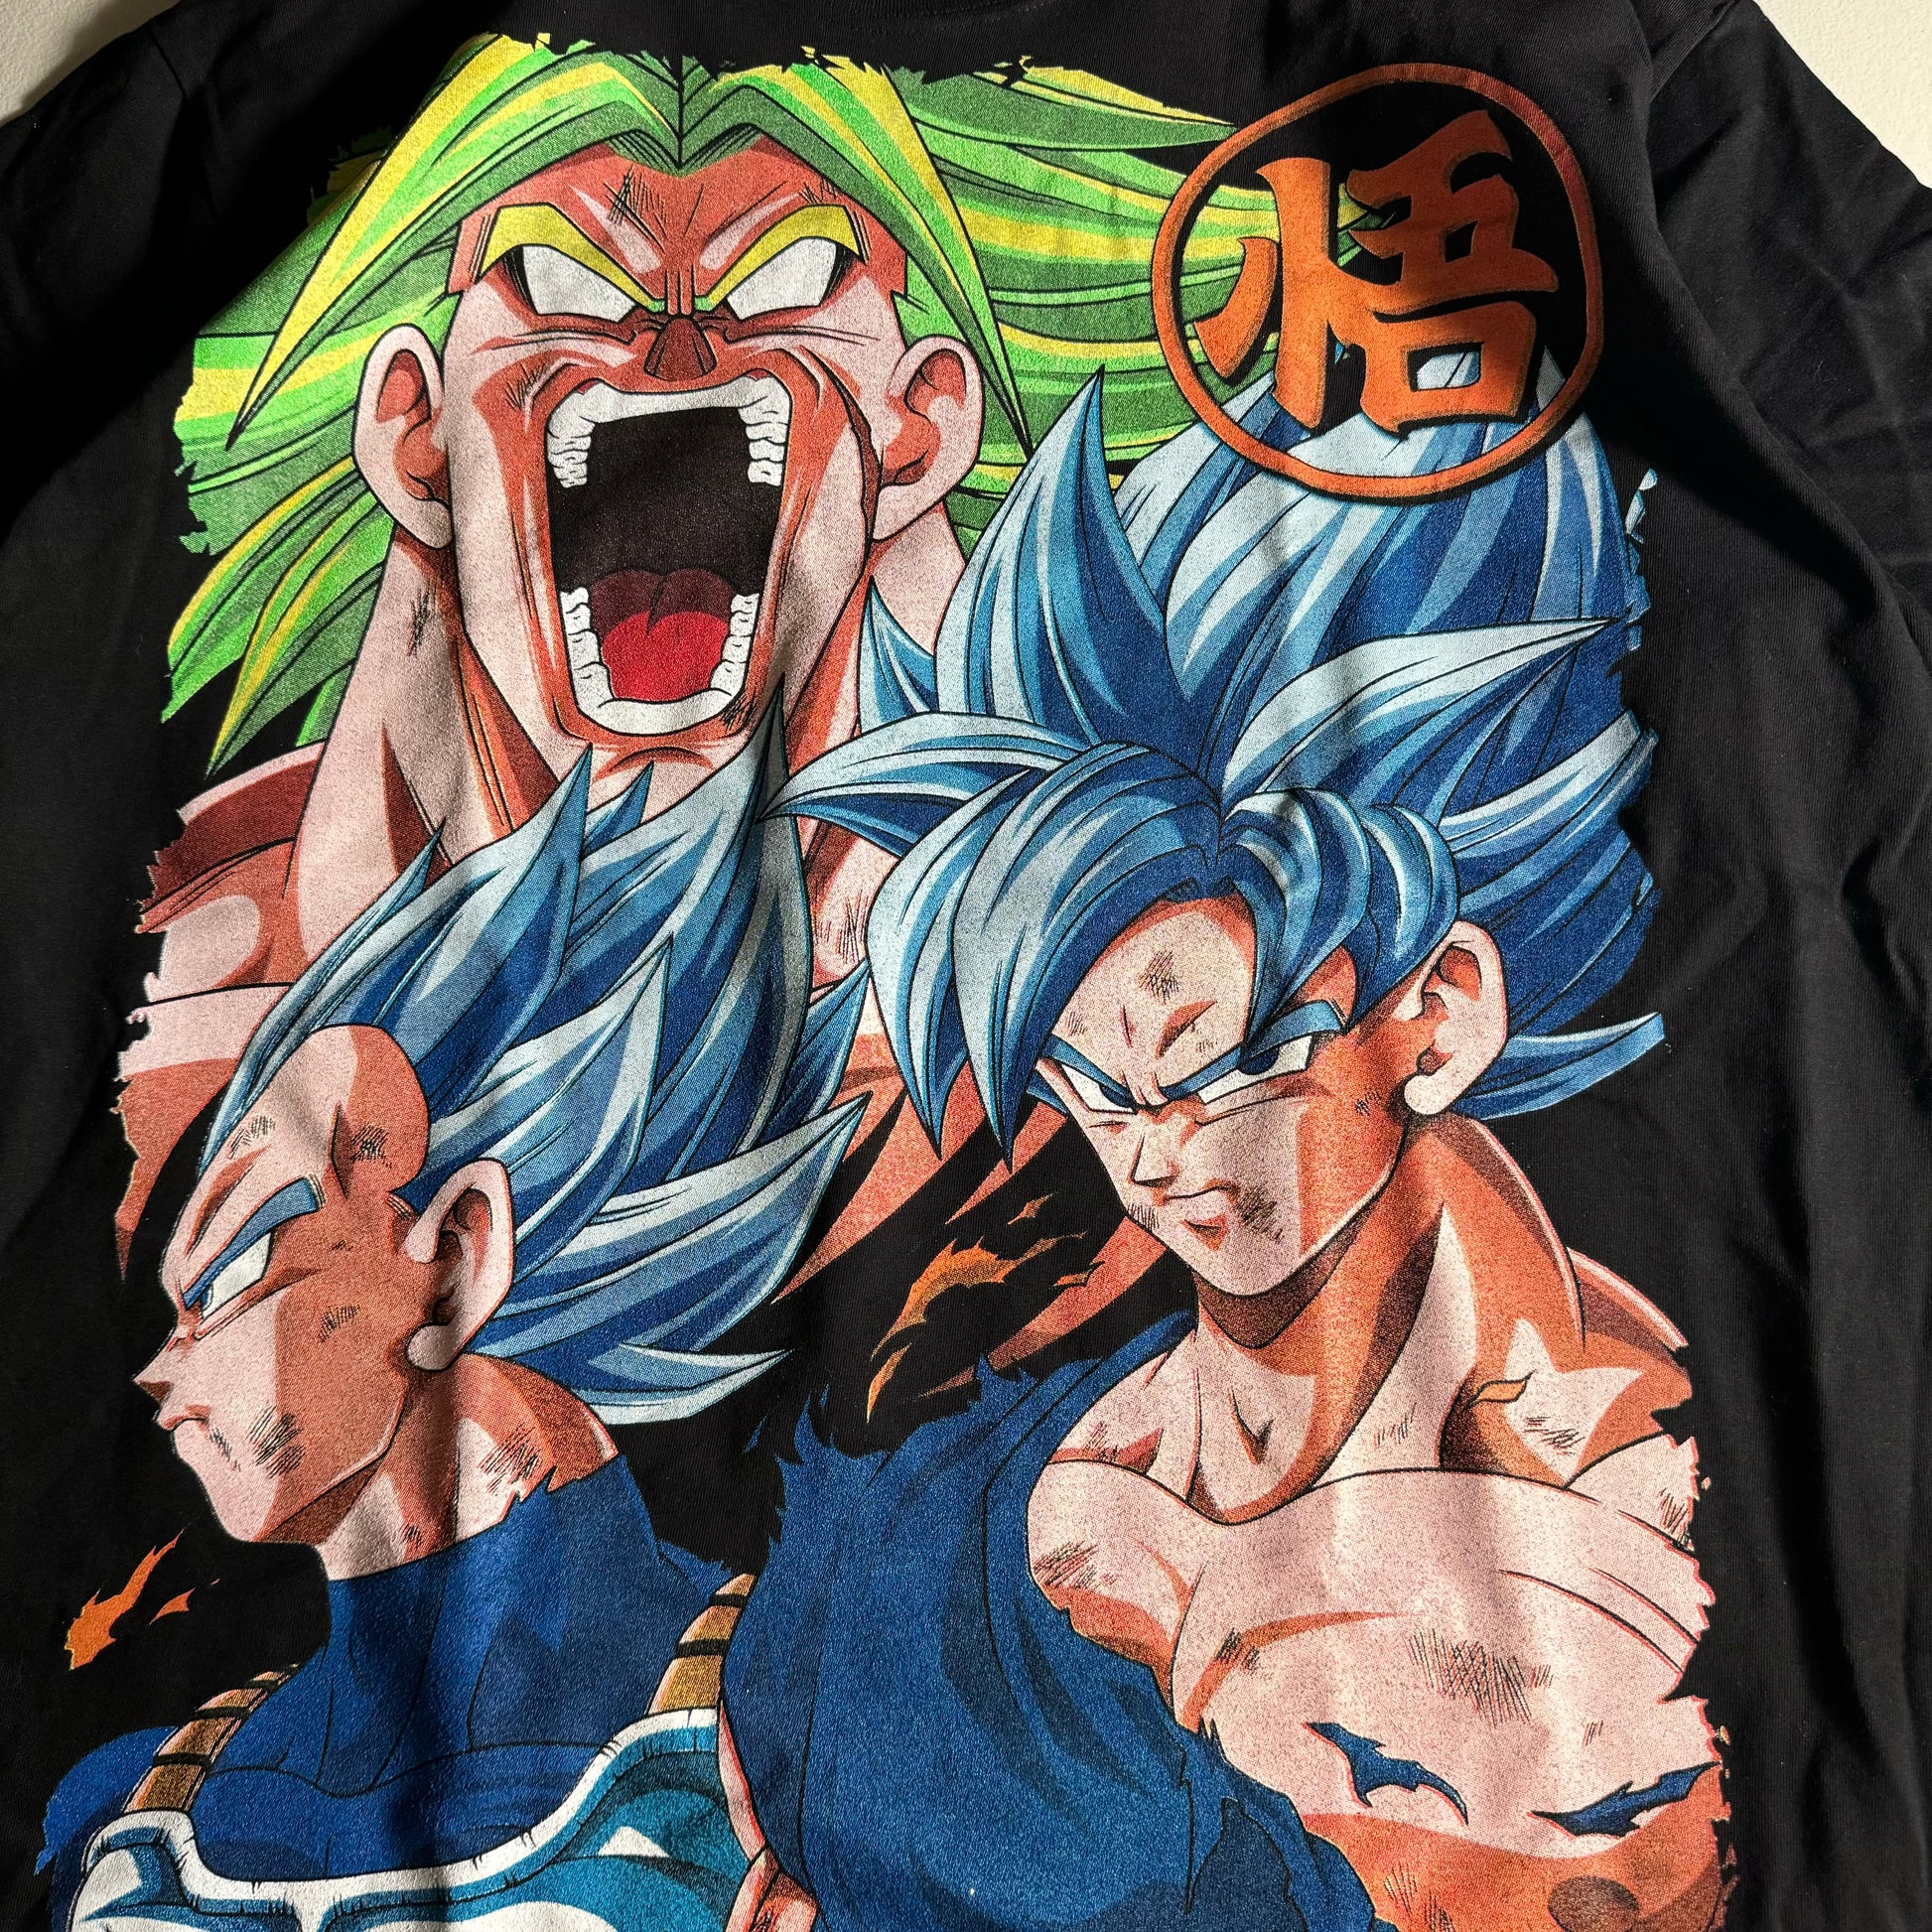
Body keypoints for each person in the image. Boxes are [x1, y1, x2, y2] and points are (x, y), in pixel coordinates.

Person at [724, 372, 1725, 1931]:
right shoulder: (973, 1483)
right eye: (1088, 1082)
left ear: (1438, 1013)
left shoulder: (1611, 1537)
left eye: (1217, 1062)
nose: (1151, 1155)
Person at [118, 36, 1259, 1251]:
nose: (675, 347)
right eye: (554, 277)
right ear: (413, 430)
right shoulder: (185, 978)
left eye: (789, 271)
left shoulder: (1129, 1013)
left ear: (920, 426)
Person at [42, 718, 865, 1932]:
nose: (165, 1370)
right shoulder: (139, 1801)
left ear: (459, 1256)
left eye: (233, 1269)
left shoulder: (815, 1715)